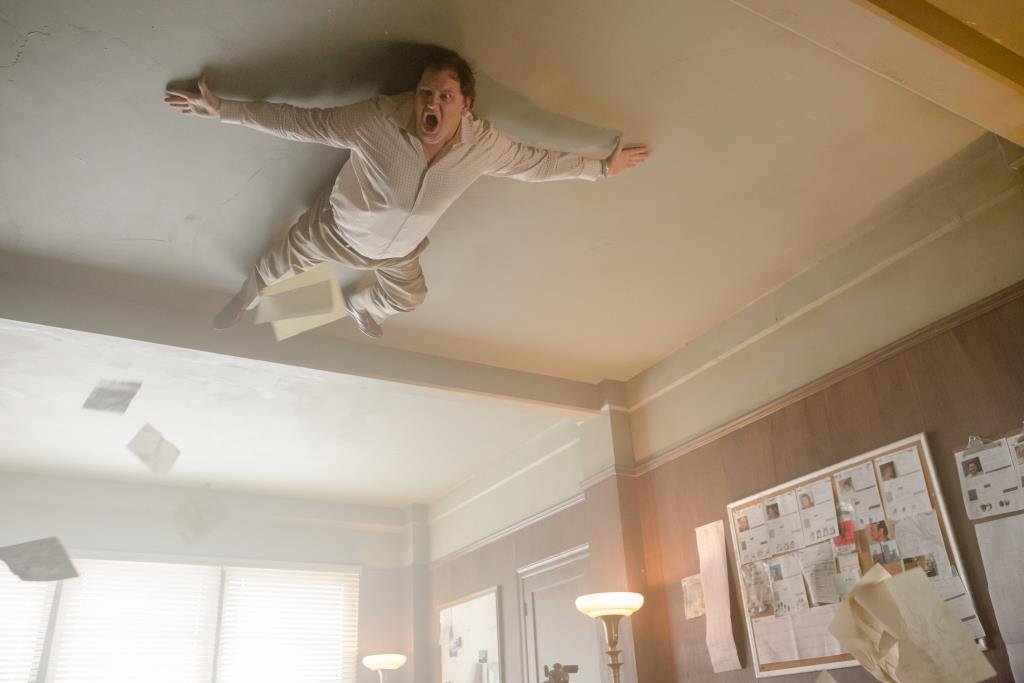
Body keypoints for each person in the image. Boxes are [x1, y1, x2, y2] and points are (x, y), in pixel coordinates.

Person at [165, 47, 649, 338]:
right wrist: (223, 109)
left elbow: (537, 163)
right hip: (336, 230)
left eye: (445, 97)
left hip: (400, 253)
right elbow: (302, 121)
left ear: (465, 105)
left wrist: (602, 169)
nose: (431, 104)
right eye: (425, 93)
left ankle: (358, 306)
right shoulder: (377, 120)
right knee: (279, 265)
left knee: (410, 299)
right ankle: (247, 298)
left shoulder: (483, 145)